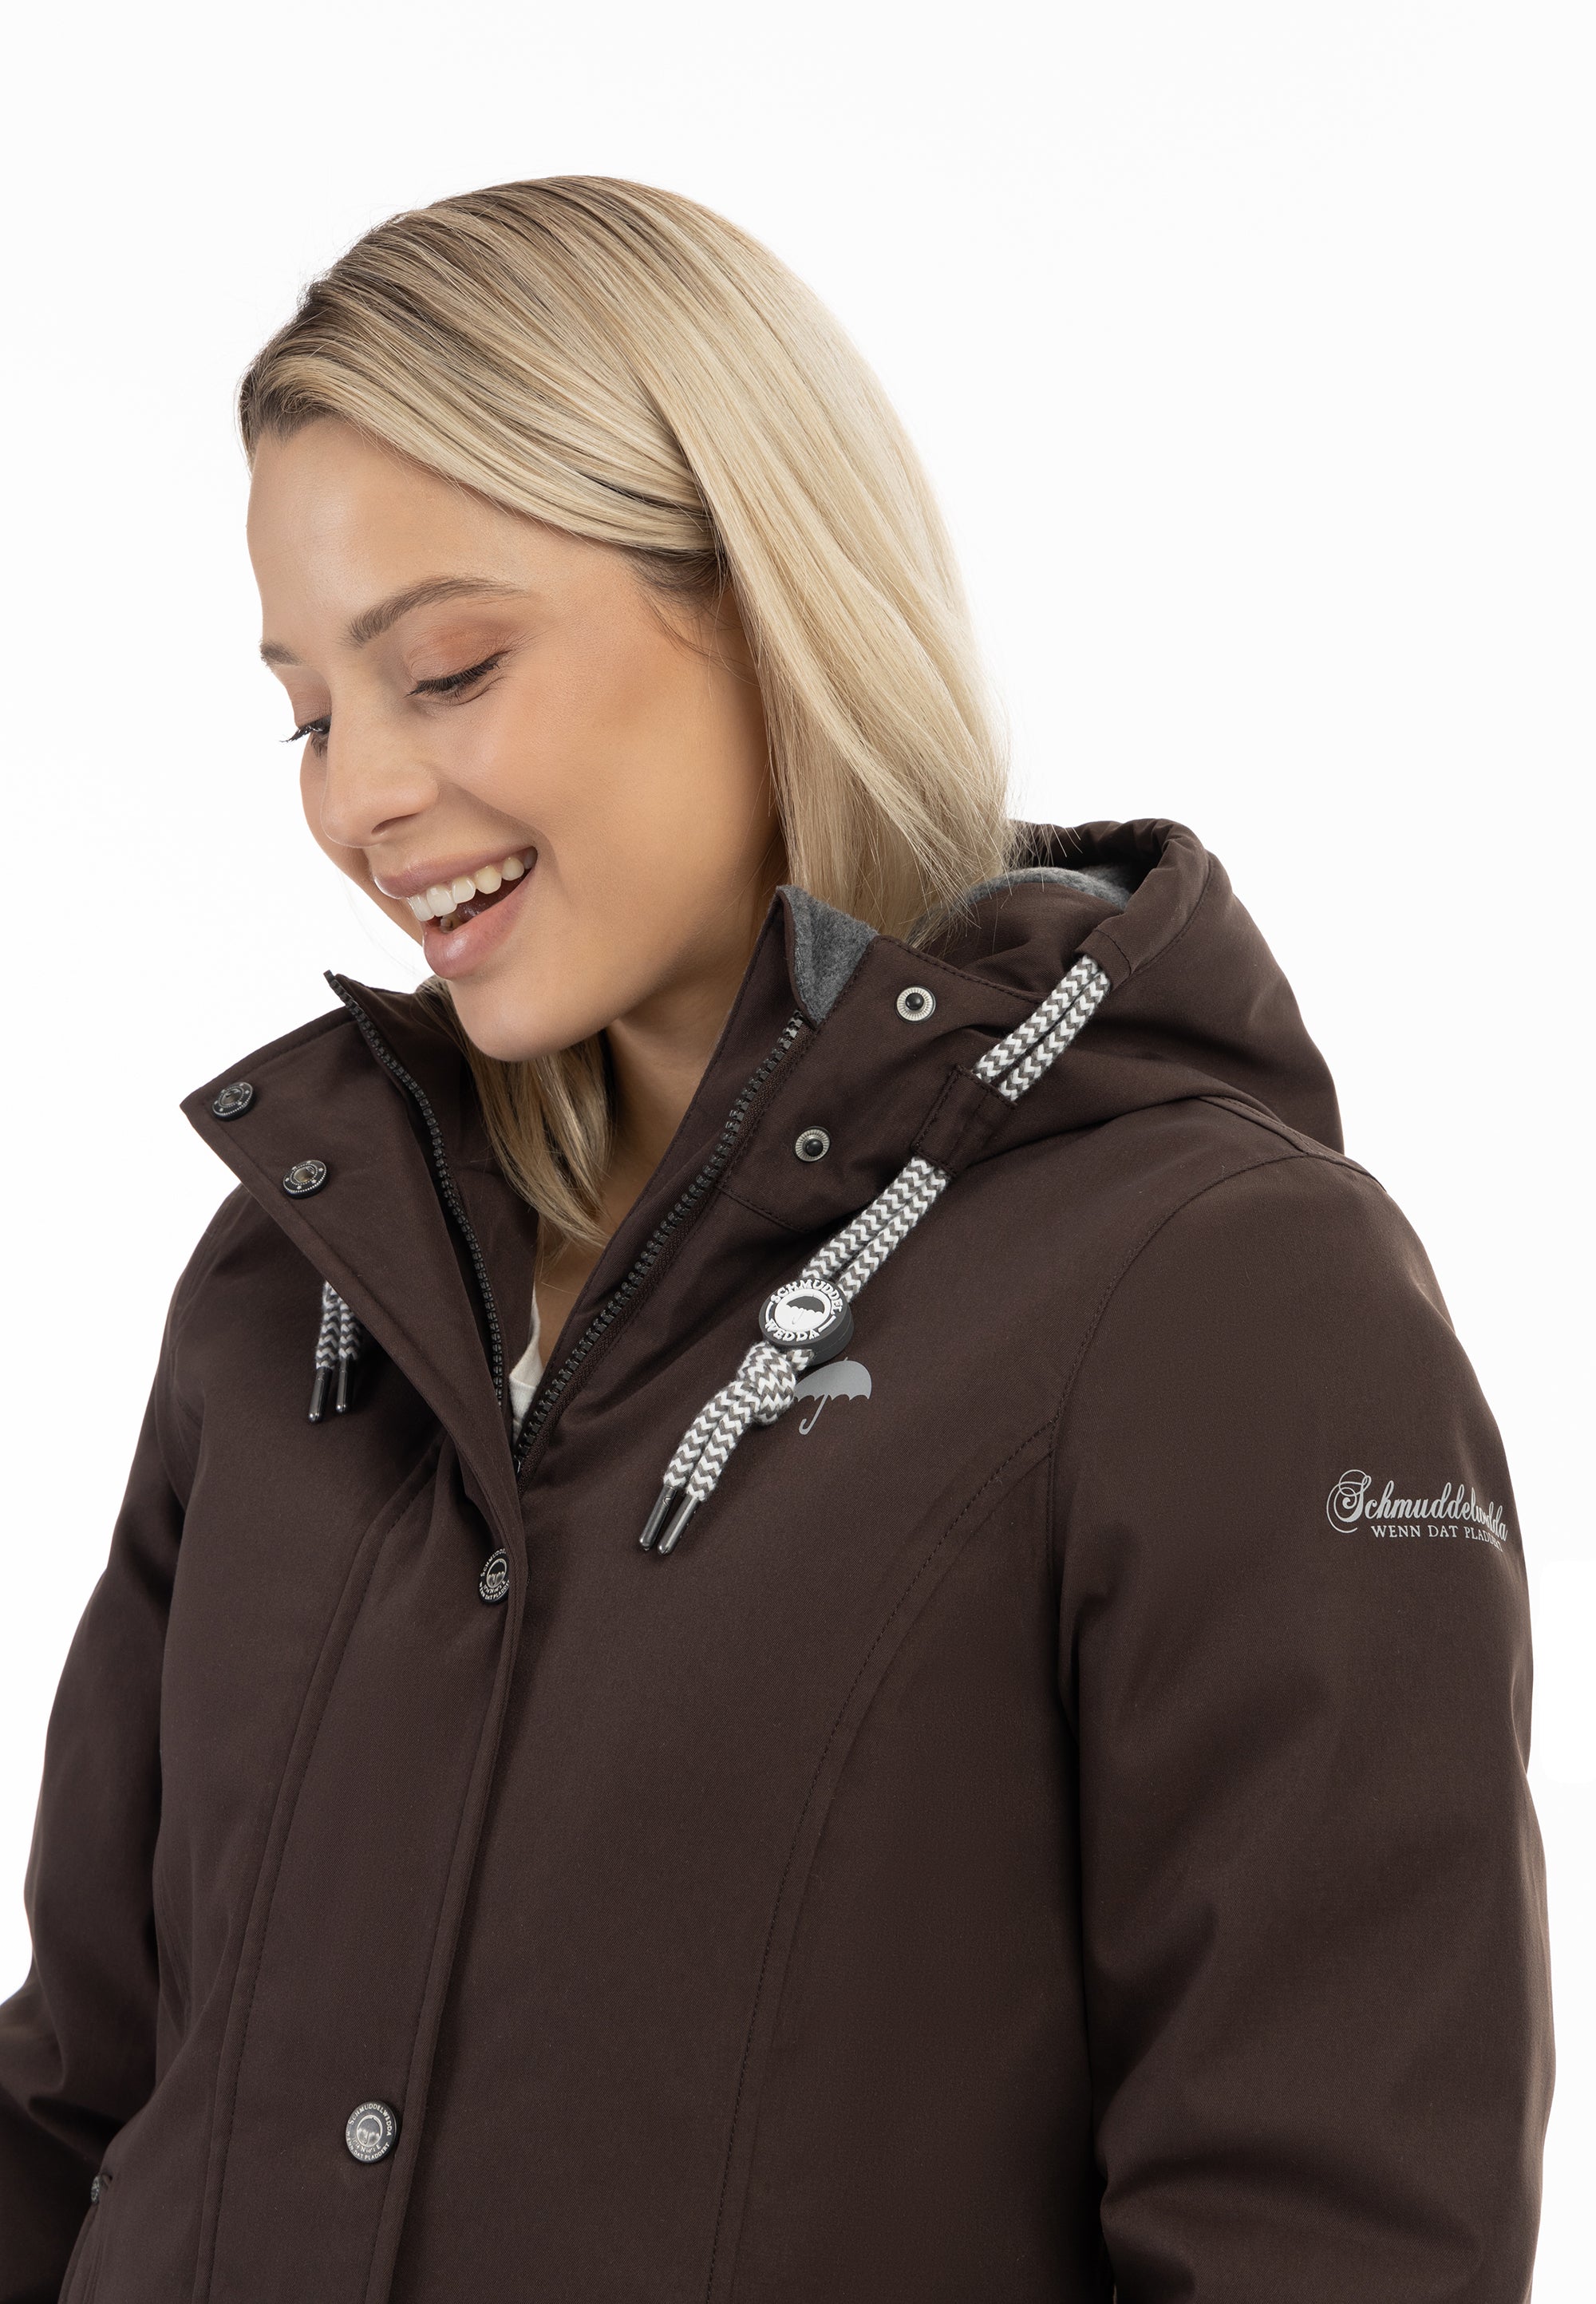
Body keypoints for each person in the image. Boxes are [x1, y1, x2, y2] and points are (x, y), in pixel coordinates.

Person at [0, 177, 1551, 2304]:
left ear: (765, 599)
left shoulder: (1222, 1304)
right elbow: (79, 2109)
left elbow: (1332, 2237)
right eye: (310, 713)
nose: (355, 800)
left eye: (448, 669)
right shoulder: (299, 1297)